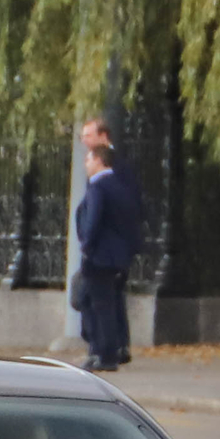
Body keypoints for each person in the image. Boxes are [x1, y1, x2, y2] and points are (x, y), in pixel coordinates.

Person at [73, 143, 141, 372]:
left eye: (89, 160)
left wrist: (86, 245)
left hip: (99, 256)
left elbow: (93, 220)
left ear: (100, 161)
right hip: (116, 256)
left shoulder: (98, 187)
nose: (86, 164)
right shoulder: (120, 187)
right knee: (92, 301)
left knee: (100, 305)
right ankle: (101, 350)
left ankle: (104, 353)